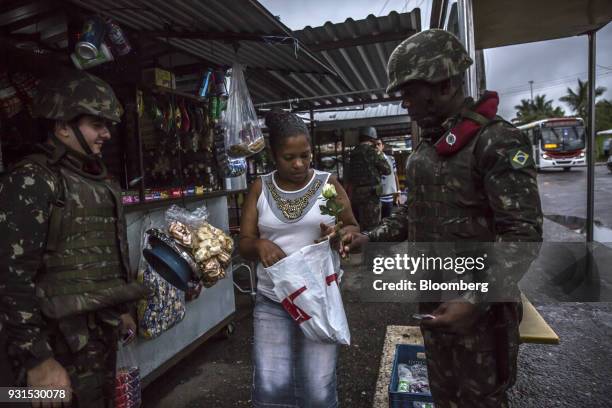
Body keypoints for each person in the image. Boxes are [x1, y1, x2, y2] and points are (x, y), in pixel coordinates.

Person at [340, 29, 543, 407]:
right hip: (433, 303)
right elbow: (411, 211)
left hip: (479, 317)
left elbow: (522, 235)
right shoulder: (428, 147)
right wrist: (373, 236)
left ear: (445, 83)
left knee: (480, 399)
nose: (404, 103)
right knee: (443, 394)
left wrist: (474, 297)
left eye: (409, 92)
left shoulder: (495, 142)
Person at [0, 70, 147, 407]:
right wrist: (37, 360)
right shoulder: (33, 180)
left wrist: (120, 308)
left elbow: (110, 254)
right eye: (97, 124)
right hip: (52, 349)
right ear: (63, 125)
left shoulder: (101, 181)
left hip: (95, 343)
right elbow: (10, 276)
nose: (107, 134)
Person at [239, 111, 359, 408]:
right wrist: (259, 245)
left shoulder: (327, 184)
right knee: (271, 386)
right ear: (273, 155)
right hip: (273, 301)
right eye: (288, 157)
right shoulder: (260, 188)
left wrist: (342, 235)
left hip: (319, 298)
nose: (299, 164)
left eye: (305, 156)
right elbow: (243, 243)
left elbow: (353, 227)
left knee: (318, 388)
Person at [344, 126, 391, 229]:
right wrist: (379, 152)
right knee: (373, 227)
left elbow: (348, 177)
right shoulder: (372, 151)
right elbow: (387, 170)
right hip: (371, 195)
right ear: (372, 138)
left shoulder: (353, 153)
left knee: (360, 225)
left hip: (356, 195)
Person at [377, 141, 401, 218]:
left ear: (382, 146)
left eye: (379, 144)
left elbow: (395, 175)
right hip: (376, 198)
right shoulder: (370, 160)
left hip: (388, 196)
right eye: (375, 145)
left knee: (387, 220)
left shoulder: (390, 159)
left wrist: (398, 191)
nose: (377, 146)